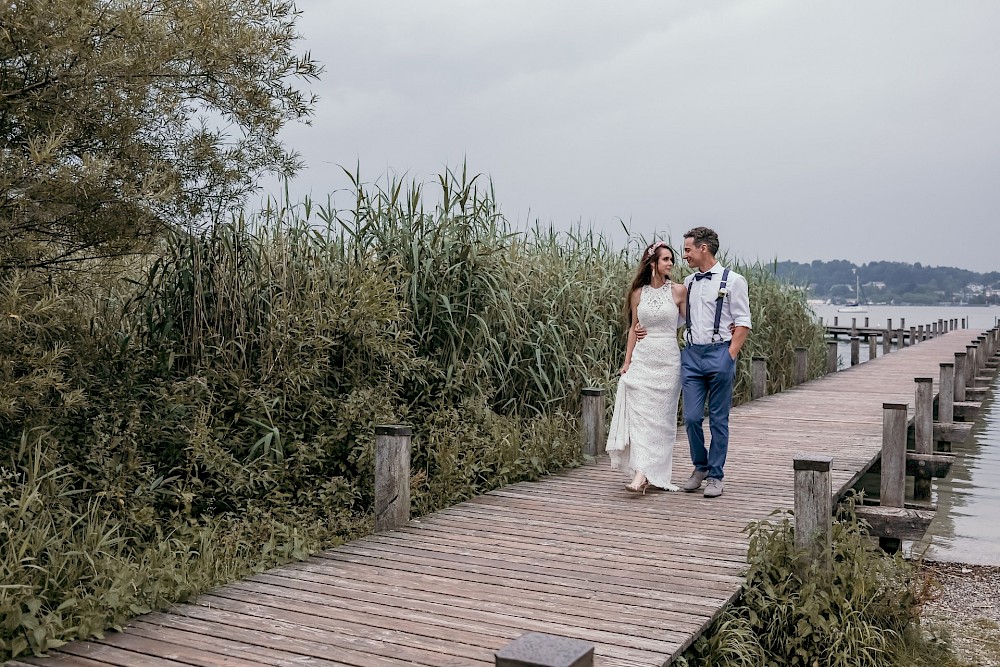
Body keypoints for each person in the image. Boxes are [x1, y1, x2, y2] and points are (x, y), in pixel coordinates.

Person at [606, 241, 687, 493]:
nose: (671, 263)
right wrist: (627, 361)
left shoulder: (678, 291)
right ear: (652, 263)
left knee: (661, 421)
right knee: (641, 418)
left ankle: (650, 472)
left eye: (672, 259)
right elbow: (633, 328)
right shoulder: (637, 294)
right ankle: (641, 473)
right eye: (665, 259)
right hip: (643, 358)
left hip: (668, 361)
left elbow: (692, 323)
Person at [676, 226, 751, 498]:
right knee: (692, 417)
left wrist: (729, 355)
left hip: (720, 354)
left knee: (719, 419)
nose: (684, 255)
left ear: (703, 248)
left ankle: (716, 475)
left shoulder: (733, 280)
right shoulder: (688, 283)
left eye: (687, 249)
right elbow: (680, 319)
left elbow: (743, 322)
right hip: (693, 356)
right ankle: (700, 466)